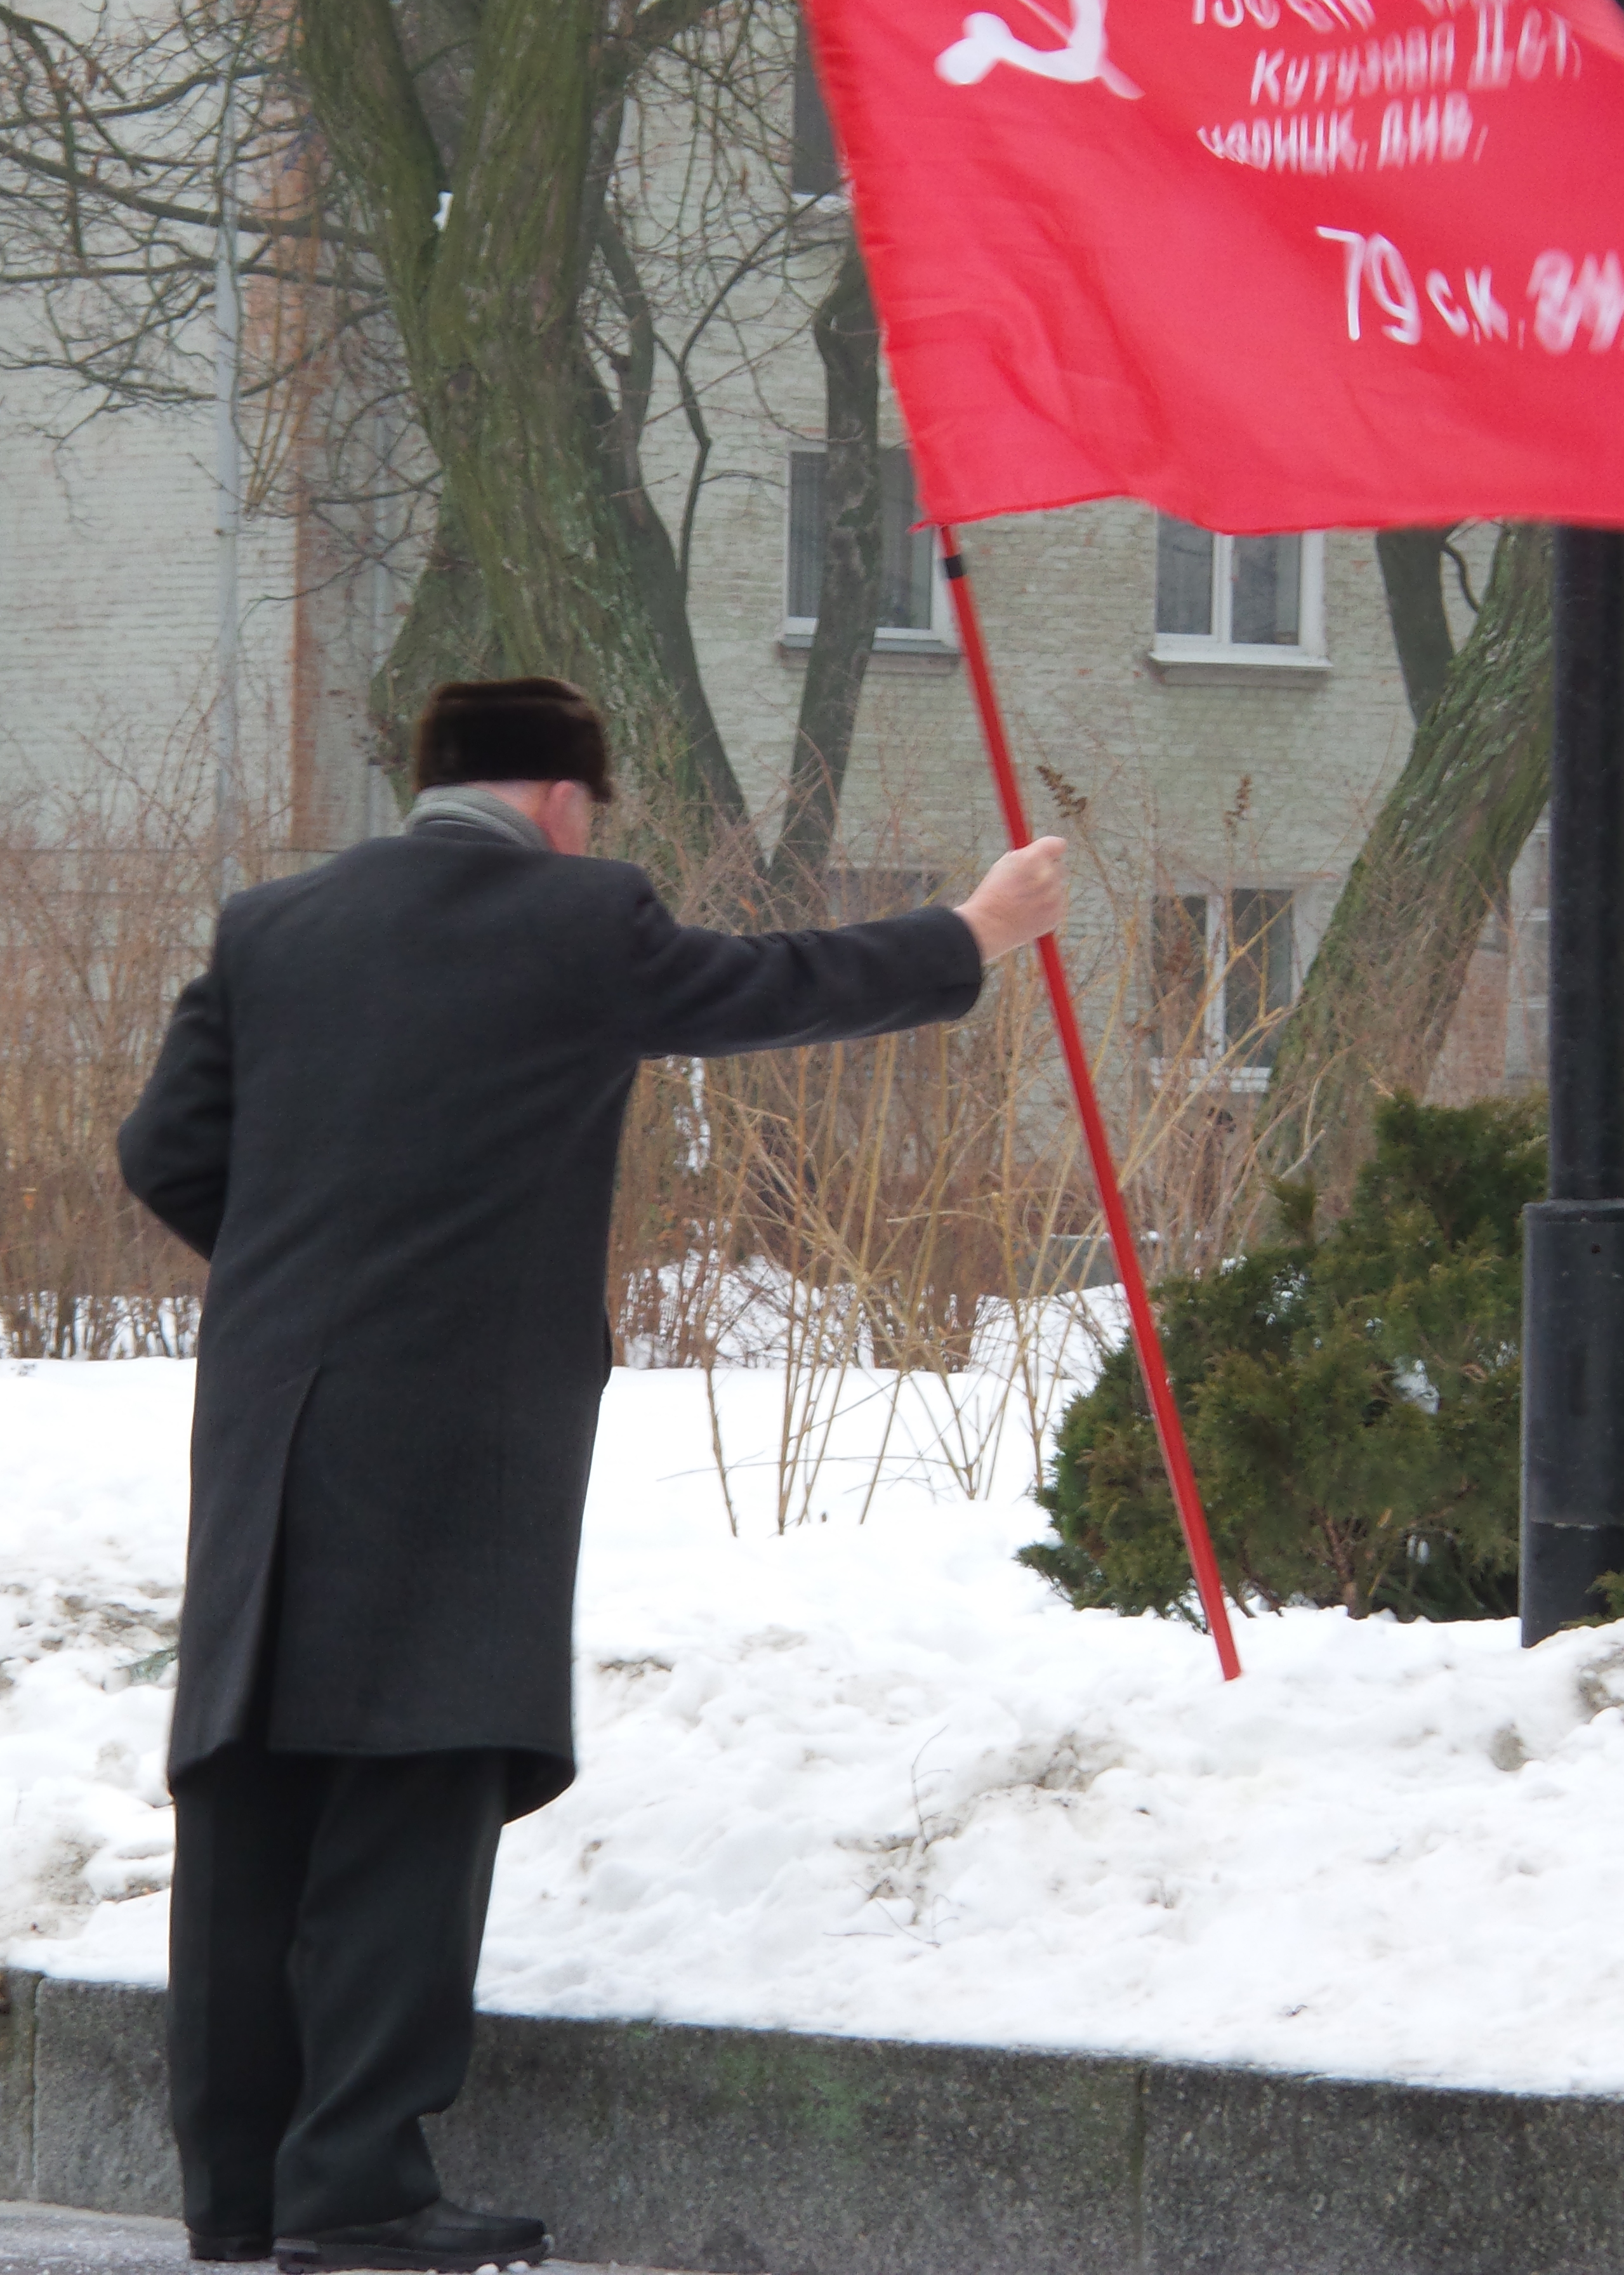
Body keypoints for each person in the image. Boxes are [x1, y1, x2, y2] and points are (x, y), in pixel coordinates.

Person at [119, 675, 1067, 2275]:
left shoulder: (272, 927)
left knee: (252, 1769)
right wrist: (973, 930)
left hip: (268, 1409)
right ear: (562, 799)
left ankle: (237, 2190)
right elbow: (775, 987)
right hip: (453, 1420)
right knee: (416, 1767)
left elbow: (164, 1150)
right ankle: (353, 2184)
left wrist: (308, 1277)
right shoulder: (574, 917)